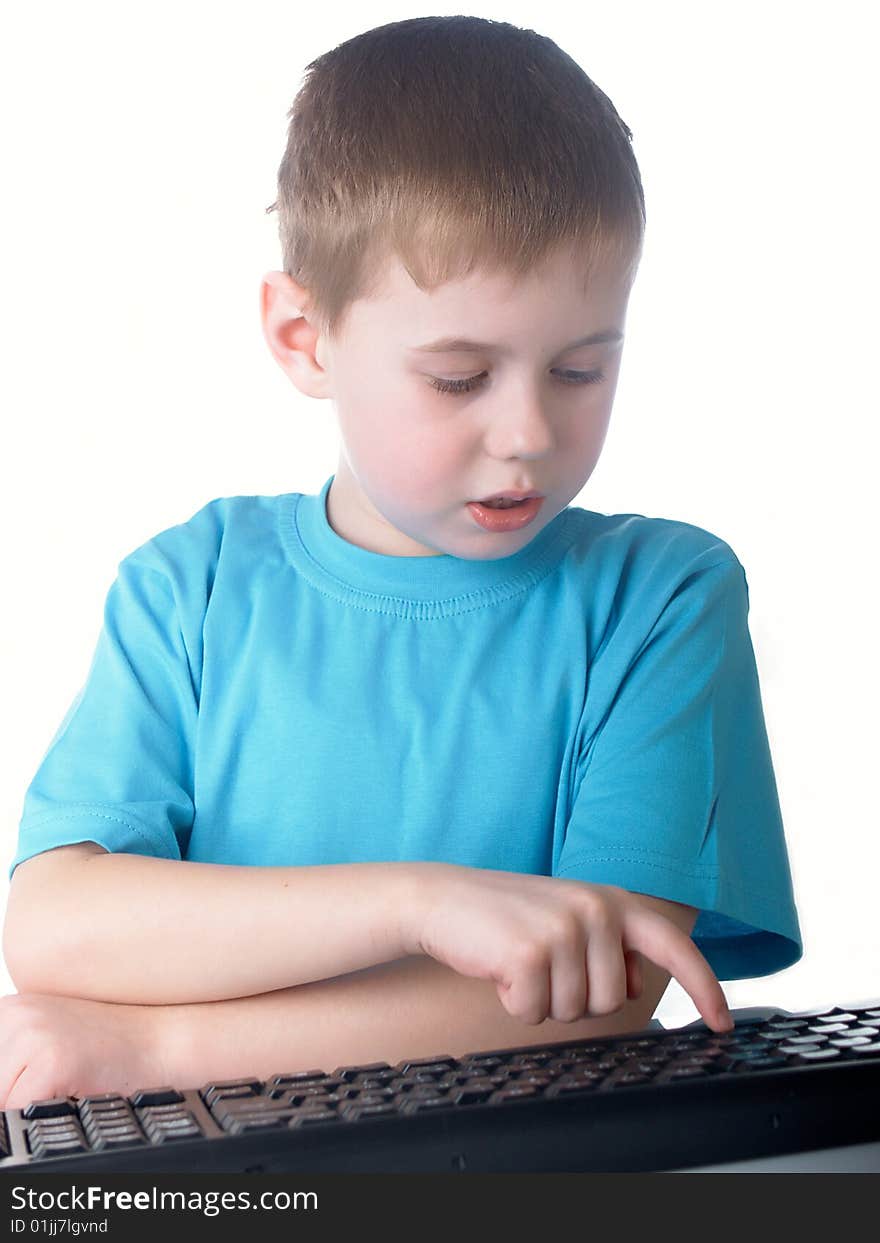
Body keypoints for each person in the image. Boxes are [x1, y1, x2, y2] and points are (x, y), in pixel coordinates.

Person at [0, 16, 801, 1112]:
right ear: (304, 338)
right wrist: (417, 904)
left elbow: (604, 993)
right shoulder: (188, 588)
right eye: (460, 377)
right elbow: (54, 928)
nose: (525, 431)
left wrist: (152, 1051)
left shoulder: (660, 598)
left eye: (578, 368)